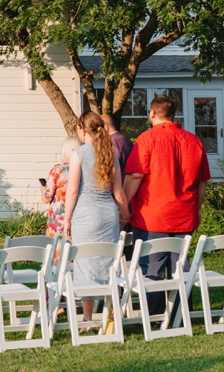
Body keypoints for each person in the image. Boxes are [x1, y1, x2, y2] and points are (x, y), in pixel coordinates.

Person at [124, 94, 211, 313]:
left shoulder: (147, 139)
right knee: (180, 266)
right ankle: (181, 312)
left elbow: (134, 176)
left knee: (152, 267)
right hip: (185, 213)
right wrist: (198, 209)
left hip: (153, 215)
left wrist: (123, 204)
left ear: (152, 113)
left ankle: (154, 314)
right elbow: (202, 181)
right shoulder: (193, 141)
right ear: (174, 114)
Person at [63, 111, 131, 322]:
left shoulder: (79, 153)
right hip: (108, 214)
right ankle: (111, 313)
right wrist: (125, 213)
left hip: (85, 215)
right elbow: (118, 192)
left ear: (82, 131)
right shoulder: (111, 155)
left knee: (85, 263)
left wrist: (67, 218)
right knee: (109, 261)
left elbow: (72, 190)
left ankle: (88, 318)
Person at [42, 134, 80, 237]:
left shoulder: (58, 169)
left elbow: (46, 198)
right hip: (78, 216)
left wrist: (44, 190)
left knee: (57, 245)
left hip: (58, 218)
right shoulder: (83, 169)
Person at [102, 114, 134, 183]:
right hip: (128, 182)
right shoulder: (125, 140)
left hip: (116, 185)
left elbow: (112, 169)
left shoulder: (110, 142)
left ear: (105, 127)